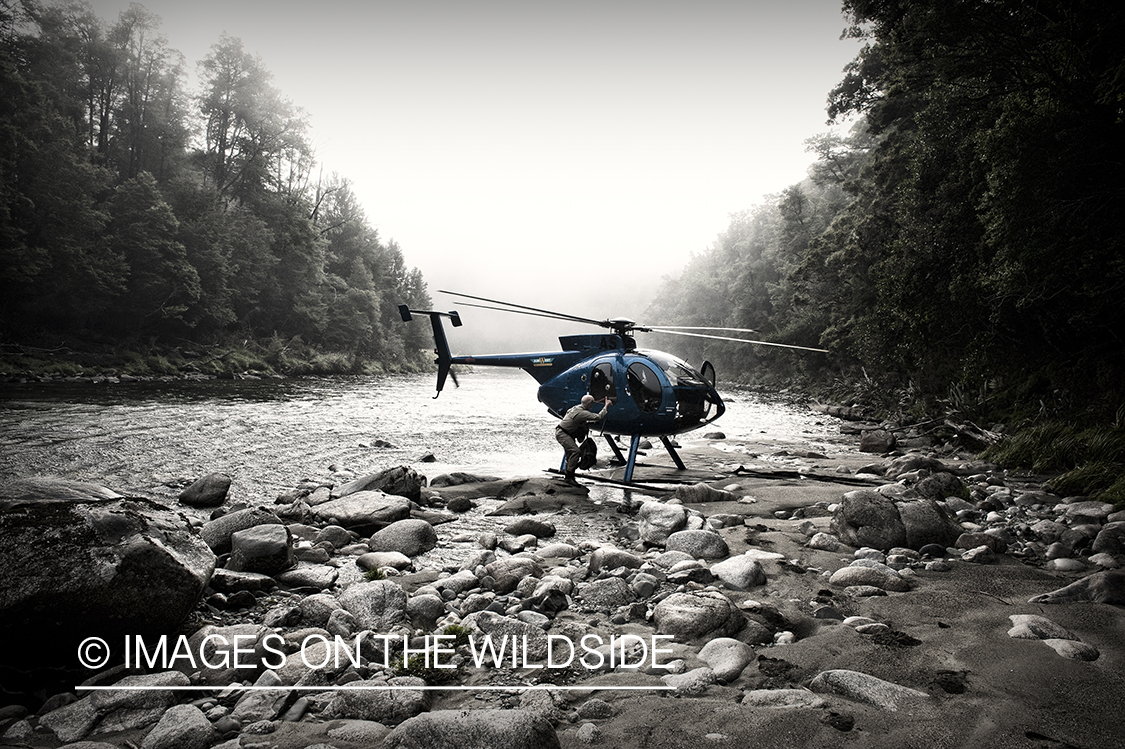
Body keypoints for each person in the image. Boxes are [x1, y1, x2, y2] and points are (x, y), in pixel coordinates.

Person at [555, 394, 611, 486]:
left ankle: (568, 475)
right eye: (592, 403)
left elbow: (575, 418)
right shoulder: (582, 413)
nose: (592, 405)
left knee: (570, 454)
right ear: (589, 404)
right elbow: (598, 417)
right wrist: (606, 406)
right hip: (563, 434)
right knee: (576, 451)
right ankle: (569, 476)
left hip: (564, 432)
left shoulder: (576, 408)